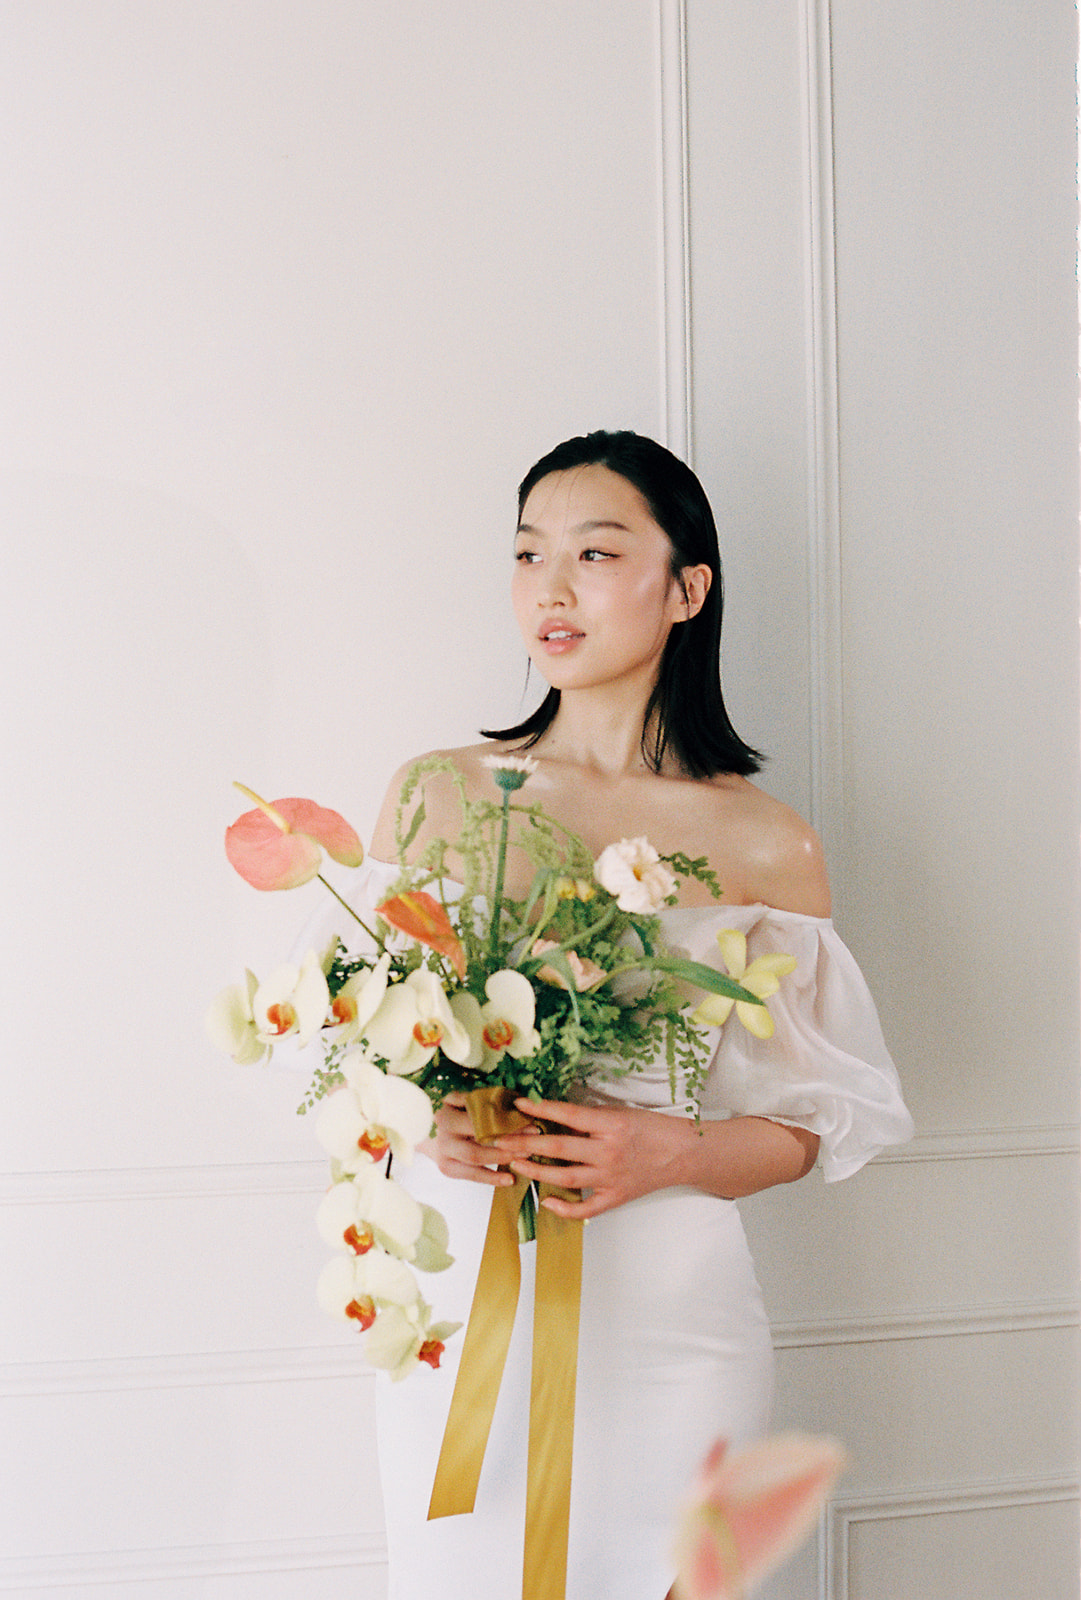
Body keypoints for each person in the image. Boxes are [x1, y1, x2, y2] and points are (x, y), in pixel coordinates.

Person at [352, 430, 913, 1599]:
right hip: (467, 1309)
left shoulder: (765, 842)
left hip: (675, 1317)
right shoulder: (439, 795)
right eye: (526, 552)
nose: (549, 587)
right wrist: (429, 1122)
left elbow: (822, 1118)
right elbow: (364, 1054)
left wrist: (676, 1149)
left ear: (686, 588)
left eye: (595, 552)